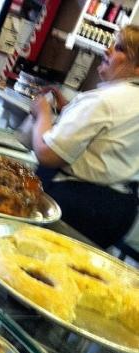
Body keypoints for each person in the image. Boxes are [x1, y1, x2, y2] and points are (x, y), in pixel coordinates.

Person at [30, 24, 139, 248]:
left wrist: (43, 113)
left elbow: (47, 154)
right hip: (119, 211)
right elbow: (110, 141)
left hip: (77, 205)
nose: (107, 50)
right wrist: (70, 111)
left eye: (119, 48)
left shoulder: (103, 100)